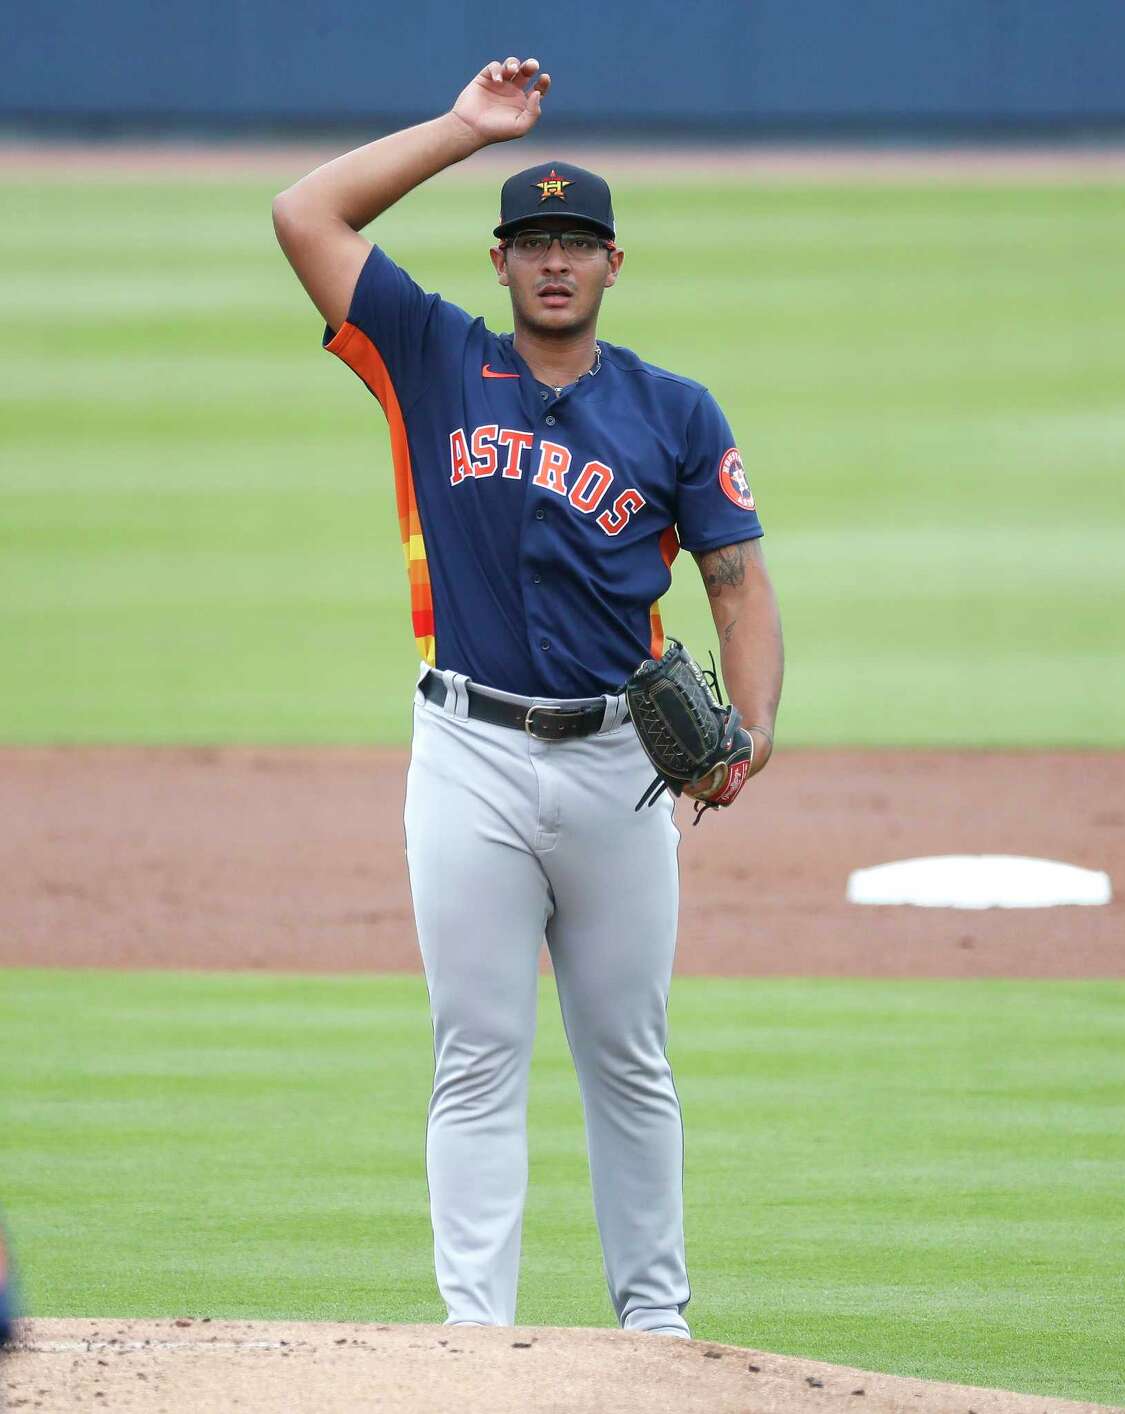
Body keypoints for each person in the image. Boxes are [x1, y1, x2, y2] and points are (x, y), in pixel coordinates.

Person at [272, 56, 784, 1338]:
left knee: (629, 1059)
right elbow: (305, 216)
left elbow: (737, 582)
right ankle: (475, 1344)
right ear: (499, 264)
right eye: (533, 241)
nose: (556, 261)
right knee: (477, 1054)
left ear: (616, 266)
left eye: (579, 243)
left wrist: (757, 730)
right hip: (468, 759)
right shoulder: (431, 354)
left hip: (622, 770)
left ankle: (655, 1334)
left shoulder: (673, 411)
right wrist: (460, 128)